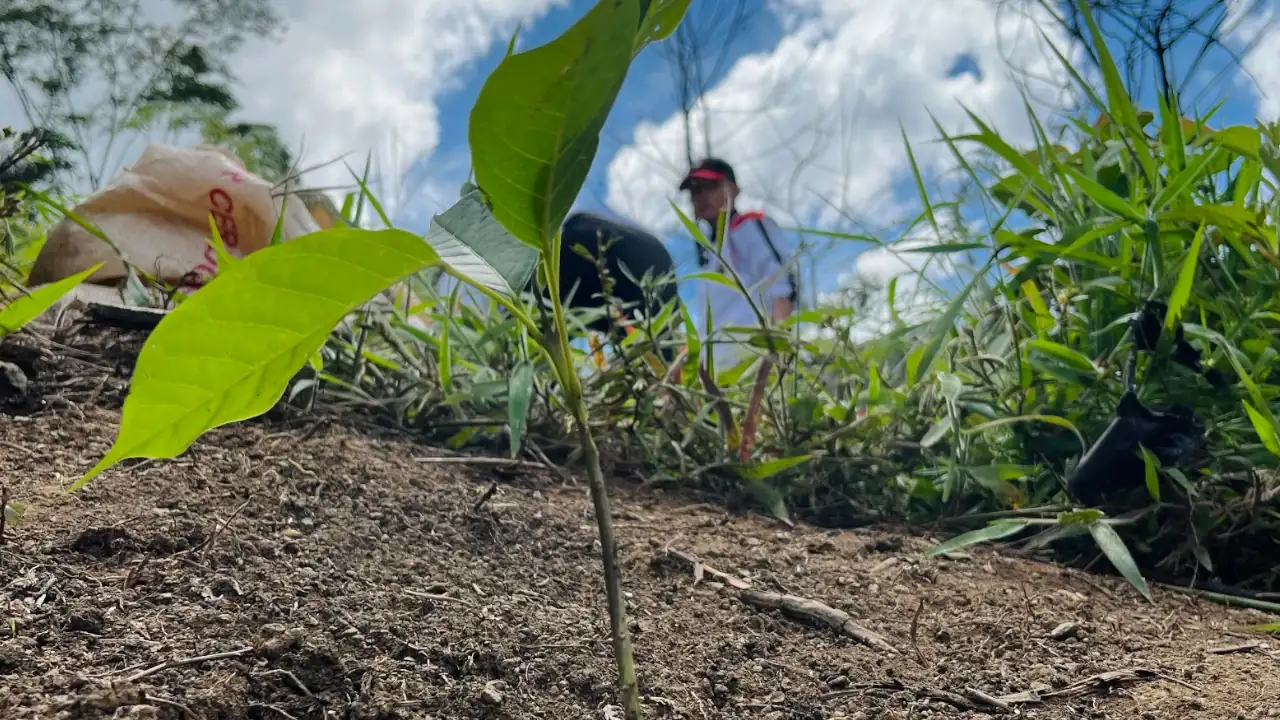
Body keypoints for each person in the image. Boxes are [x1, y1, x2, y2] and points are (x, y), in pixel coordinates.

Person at [679, 157, 798, 368]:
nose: (701, 196)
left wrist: (778, 358)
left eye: (710, 186)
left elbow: (782, 286)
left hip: (754, 361)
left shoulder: (747, 225)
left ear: (733, 189)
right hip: (720, 370)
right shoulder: (710, 254)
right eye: (695, 191)